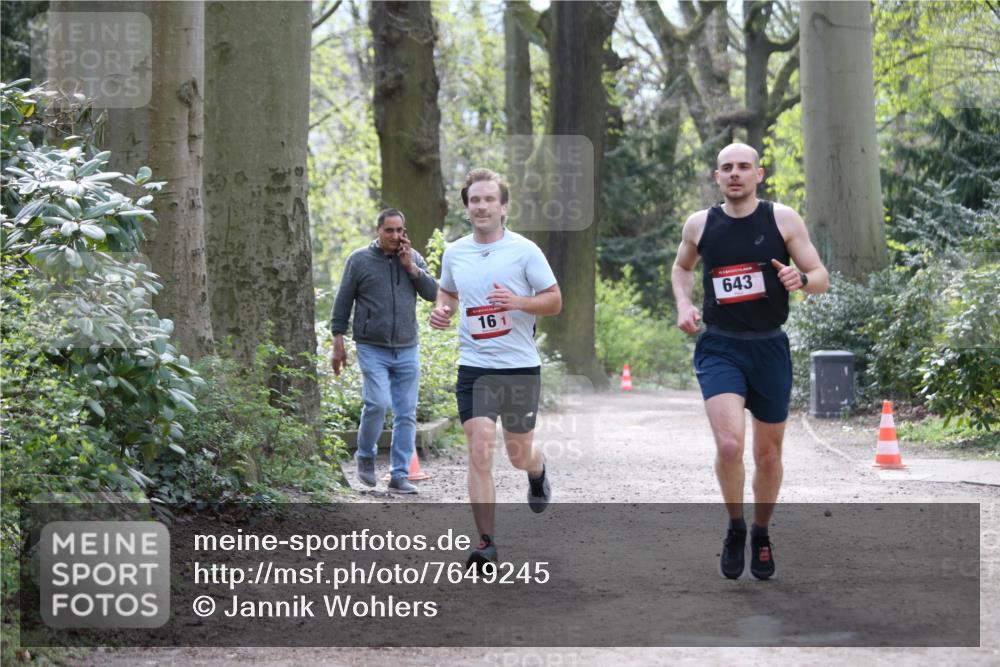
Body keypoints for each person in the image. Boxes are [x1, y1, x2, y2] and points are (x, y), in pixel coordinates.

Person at [672, 143, 829, 580]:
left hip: (769, 347)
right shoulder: (700, 224)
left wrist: (801, 280)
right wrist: (683, 305)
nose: (735, 174)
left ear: (759, 175)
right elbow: (681, 268)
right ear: (717, 177)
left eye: (744, 167)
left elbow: (821, 277)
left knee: (769, 457)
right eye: (727, 168)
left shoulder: (782, 219)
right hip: (720, 345)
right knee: (729, 445)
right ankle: (736, 526)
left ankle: (761, 531)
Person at [429, 168, 561, 570]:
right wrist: (443, 310)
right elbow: (448, 290)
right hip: (475, 368)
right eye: (475, 200)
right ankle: (485, 543)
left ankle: (536, 473)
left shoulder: (525, 251)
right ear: (467, 207)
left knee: (519, 454)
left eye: (489, 199)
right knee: (479, 450)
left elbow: (554, 300)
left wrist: (518, 303)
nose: (482, 206)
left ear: (503, 207)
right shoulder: (455, 252)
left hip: (519, 368)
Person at [330, 208, 439, 494]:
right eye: (389, 230)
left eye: (399, 230)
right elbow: (343, 302)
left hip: (407, 347)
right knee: (377, 403)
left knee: (406, 413)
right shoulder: (359, 260)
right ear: (378, 230)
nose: (395, 236)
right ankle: (365, 455)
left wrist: (412, 269)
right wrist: (337, 341)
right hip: (371, 346)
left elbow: (433, 293)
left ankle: (399, 475)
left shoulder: (412, 258)